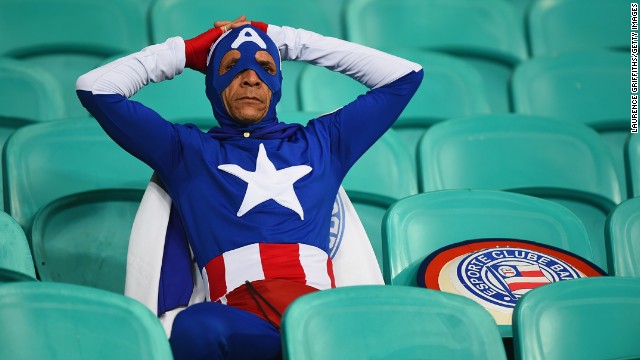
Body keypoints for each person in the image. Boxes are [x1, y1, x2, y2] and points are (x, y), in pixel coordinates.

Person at [76, 15, 423, 360]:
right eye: (232, 67)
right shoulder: (187, 152)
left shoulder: (323, 143)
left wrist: (289, 40)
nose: (251, 79)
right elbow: (96, 88)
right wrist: (182, 53)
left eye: (265, 67)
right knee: (196, 327)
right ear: (212, 83)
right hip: (240, 324)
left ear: (278, 83)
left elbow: (405, 76)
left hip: (323, 323)